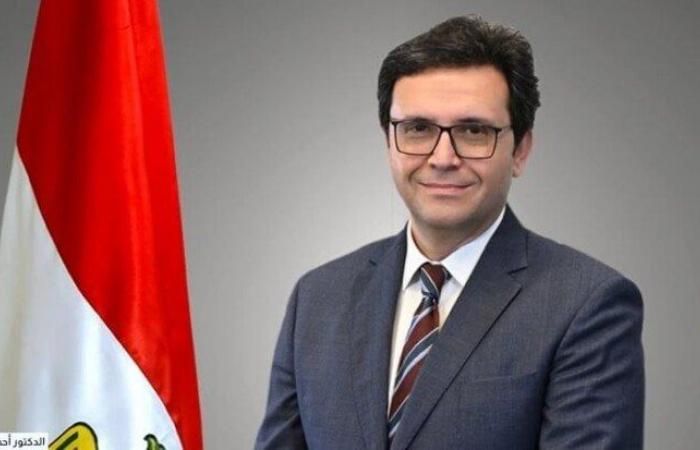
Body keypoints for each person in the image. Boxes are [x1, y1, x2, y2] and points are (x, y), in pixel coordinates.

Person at [255, 15, 644, 450]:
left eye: (473, 131)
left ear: (520, 150)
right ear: (389, 142)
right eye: (418, 129)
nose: (442, 158)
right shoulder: (317, 299)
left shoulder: (587, 305)